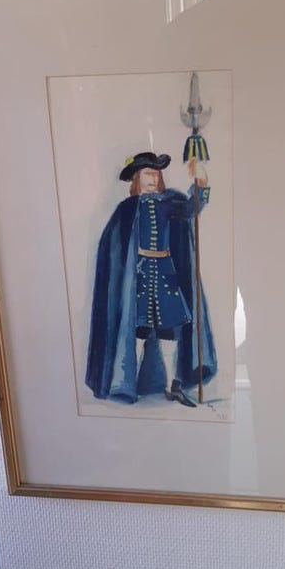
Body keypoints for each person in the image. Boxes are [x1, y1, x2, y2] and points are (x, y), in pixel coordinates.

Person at [85, 151, 216, 406]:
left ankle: (172, 387)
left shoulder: (170, 202)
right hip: (140, 279)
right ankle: (128, 384)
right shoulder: (126, 209)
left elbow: (191, 209)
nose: (153, 179)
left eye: (156, 174)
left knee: (169, 331)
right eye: (148, 174)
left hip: (166, 275)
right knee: (139, 331)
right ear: (137, 178)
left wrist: (201, 184)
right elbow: (113, 248)